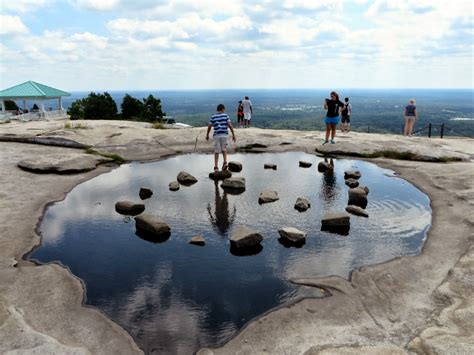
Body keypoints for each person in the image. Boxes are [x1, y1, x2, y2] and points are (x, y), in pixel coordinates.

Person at [206, 104, 236, 172]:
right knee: (224, 149)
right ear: (222, 109)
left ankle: (216, 167)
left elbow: (209, 126)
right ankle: (225, 163)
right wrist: (233, 134)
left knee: (216, 151)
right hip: (224, 134)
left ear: (217, 109)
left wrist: (207, 135)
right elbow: (230, 125)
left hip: (217, 135)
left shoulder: (213, 117)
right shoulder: (226, 115)